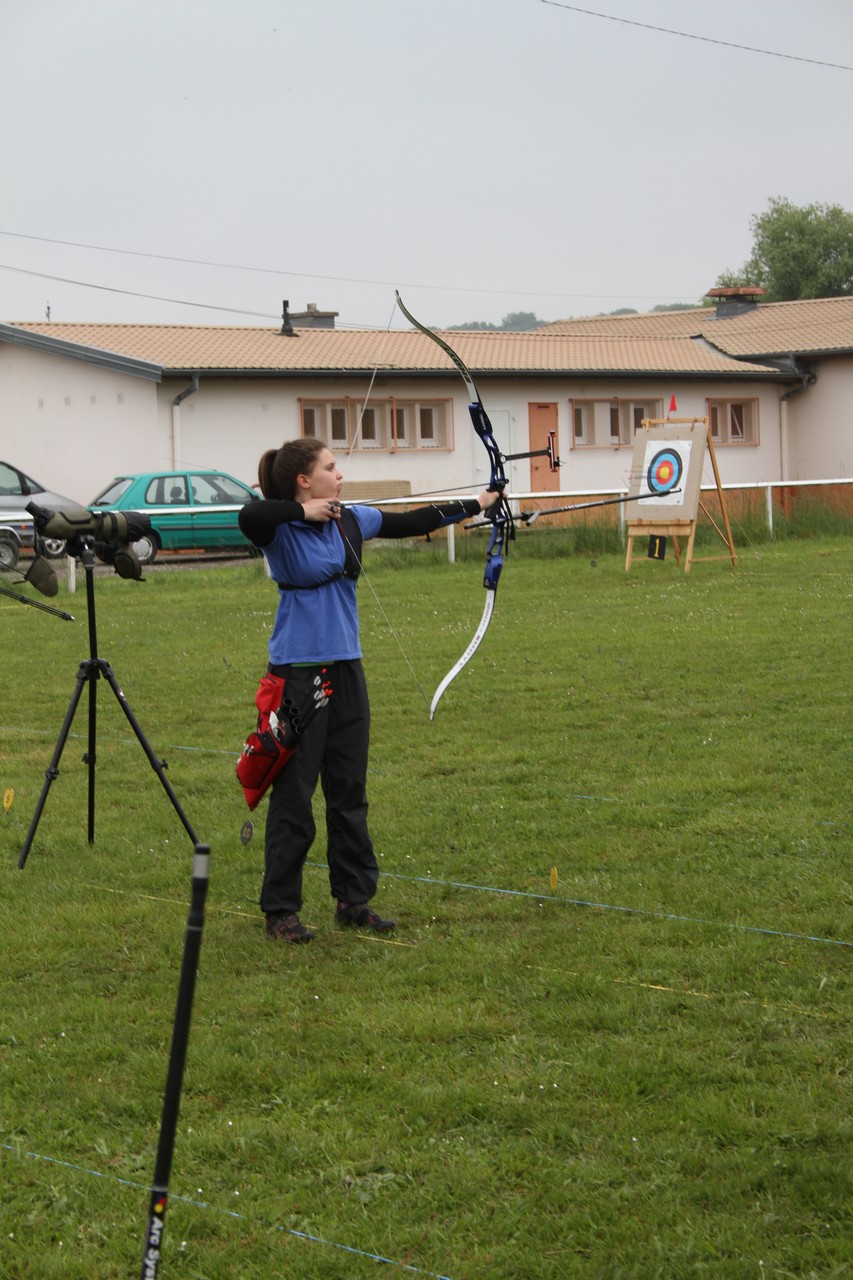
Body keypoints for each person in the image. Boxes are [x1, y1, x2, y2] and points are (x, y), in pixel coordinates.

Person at [238, 438, 500, 943]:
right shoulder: (282, 528)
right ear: (303, 480)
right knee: (294, 793)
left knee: (349, 787)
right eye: (330, 468)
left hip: (347, 668)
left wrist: (480, 503)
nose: (340, 475)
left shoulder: (351, 519)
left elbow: (414, 520)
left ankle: (352, 899)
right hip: (298, 671)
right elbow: (249, 517)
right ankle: (280, 911)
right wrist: (301, 511)